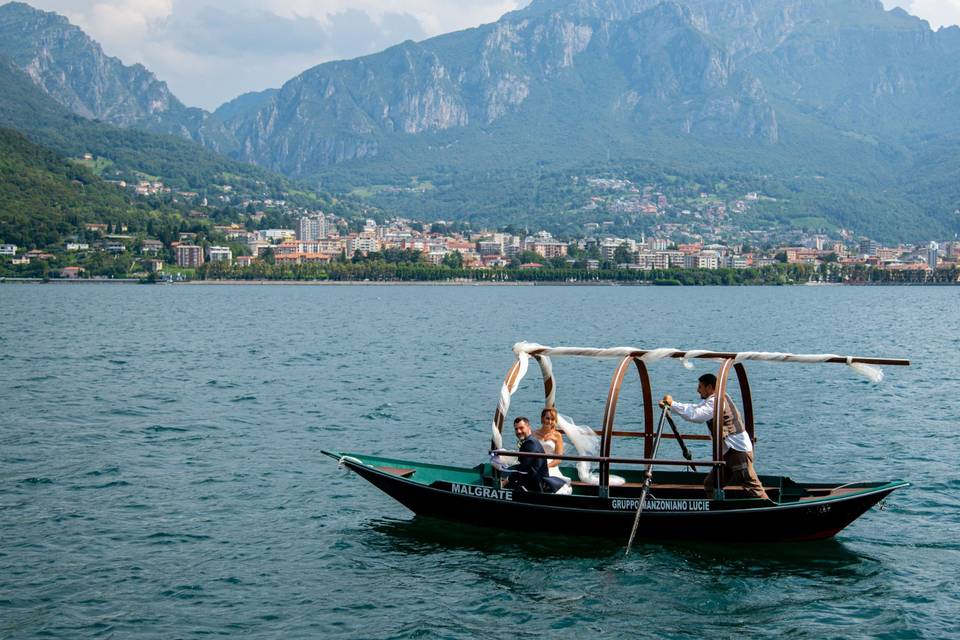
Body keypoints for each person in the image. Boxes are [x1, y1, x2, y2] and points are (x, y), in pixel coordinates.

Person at [661, 373, 769, 500]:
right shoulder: (713, 400)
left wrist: (672, 404)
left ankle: (771, 510)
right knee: (711, 484)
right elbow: (695, 408)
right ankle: (718, 509)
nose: (697, 390)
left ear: (709, 387)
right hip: (728, 451)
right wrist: (672, 405)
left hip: (737, 451)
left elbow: (696, 415)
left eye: (700, 387)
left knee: (752, 486)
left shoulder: (717, 401)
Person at [503, 416, 566, 493]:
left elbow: (522, 469)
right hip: (535, 480)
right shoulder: (531, 440)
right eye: (516, 429)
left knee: (505, 486)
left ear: (528, 427)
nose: (518, 431)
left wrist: (506, 480)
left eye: (521, 428)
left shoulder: (530, 443)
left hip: (535, 485)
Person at [534, 407, 573, 495]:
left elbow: (558, 459)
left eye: (552, 419)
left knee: (551, 480)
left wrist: (546, 466)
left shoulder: (557, 435)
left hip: (551, 465)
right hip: (537, 464)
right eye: (548, 418)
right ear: (542, 418)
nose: (550, 421)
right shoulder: (534, 434)